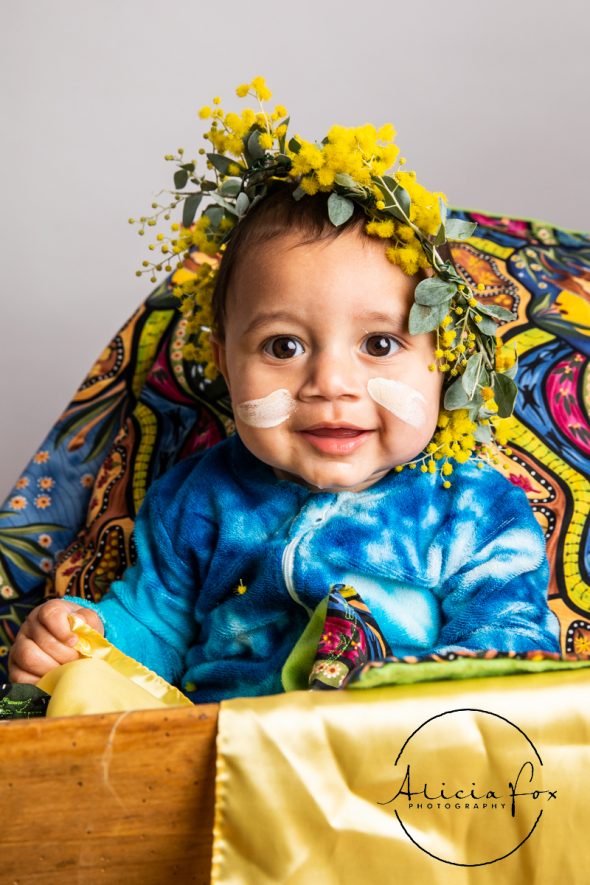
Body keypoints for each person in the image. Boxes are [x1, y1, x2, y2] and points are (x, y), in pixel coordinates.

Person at [7, 79, 561, 701]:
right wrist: (79, 642)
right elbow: (150, 633)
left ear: (446, 363)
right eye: (283, 347)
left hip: (390, 754)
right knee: (79, 689)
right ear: (224, 361)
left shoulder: (472, 511)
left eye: (379, 344)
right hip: (224, 758)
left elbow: (509, 644)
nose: (329, 384)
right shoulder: (199, 500)